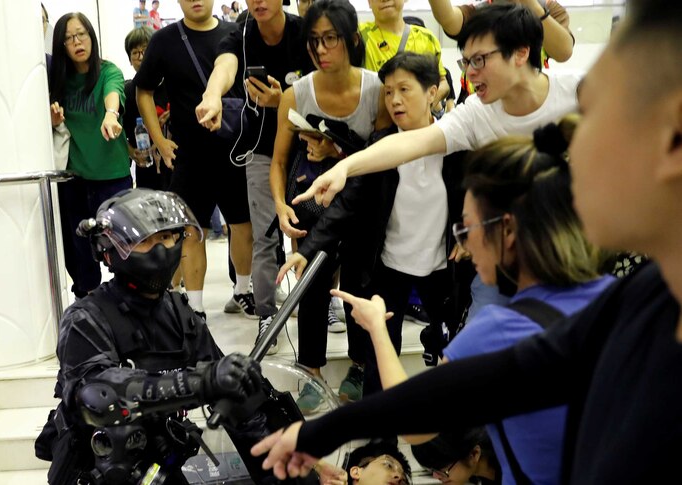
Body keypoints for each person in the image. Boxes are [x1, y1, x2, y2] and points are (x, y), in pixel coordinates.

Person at [250, 2, 682, 478]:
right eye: (466, 61)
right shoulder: (633, 302)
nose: (564, 166)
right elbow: (470, 382)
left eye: (587, 132)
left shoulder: (621, 297)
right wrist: (345, 166)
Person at [338, 118, 615, 484]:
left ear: (508, 230)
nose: (465, 244)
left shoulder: (496, 331)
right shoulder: (616, 294)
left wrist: (375, 325)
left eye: (466, 229)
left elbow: (411, 422)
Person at [292, 4, 582, 320]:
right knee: (470, 352)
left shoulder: (579, 95)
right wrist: (344, 167)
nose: (470, 72)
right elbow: (412, 142)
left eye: (480, 60)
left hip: (571, 260)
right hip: (504, 268)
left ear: (521, 53)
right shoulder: (475, 115)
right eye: (467, 61)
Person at [35, 189, 264, 484]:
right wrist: (200, 382)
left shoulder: (182, 314)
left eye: (167, 237)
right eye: (144, 241)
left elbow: (234, 390)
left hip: (159, 465)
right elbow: (101, 395)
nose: (160, 249)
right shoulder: (85, 318)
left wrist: (288, 458)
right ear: (110, 251)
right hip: (97, 469)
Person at [280, 53, 464, 400]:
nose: (394, 100)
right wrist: (306, 251)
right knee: (380, 361)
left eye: (404, 90)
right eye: (389, 91)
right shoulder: (379, 149)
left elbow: (476, 195)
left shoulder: (456, 144)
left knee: (451, 354)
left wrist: (469, 234)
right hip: (389, 271)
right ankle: (380, 440)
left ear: (432, 92)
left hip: (442, 273)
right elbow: (346, 204)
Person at [270, 0, 391, 414]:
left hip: (363, 205)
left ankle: (358, 366)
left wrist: (336, 151)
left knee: (359, 280)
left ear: (351, 40)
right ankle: (312, 370)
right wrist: (280, 206)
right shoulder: (296, 93)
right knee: (312, 283)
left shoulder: (376, 89)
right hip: (312, 205)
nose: (321, 50)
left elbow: (380, 158)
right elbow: (279, 163)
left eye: (330, 40)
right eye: (314, 41)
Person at [195, 0, 315, 353]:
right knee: (265, 236)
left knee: (311, 234)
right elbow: (225, 65)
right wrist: (212, 95)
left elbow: (322, 90)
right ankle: (268, 316)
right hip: (262, 152)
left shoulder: (304, 34)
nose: (259, 1)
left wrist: (285, 101)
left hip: (307, 148)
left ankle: (321, 304)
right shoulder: (241, 35)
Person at [135, 0, 256, 321]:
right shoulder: (164, 40)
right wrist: (159, 141)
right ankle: (196, 306)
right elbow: (143, 91)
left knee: (242, 225)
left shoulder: (234, 35)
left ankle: (243, 290)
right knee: (191, 230)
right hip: (188, 154)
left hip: (234, 149)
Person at [49, 12, 133, 300]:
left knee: (122, 248)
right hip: (76, 179)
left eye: (81, 34)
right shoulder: (58, 81)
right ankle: (88, 307)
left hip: (113, 178)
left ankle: (128, 305)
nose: (77, 42)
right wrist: (51, 120)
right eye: (69, 38)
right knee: (81, 254)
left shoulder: (108, 71)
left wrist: (111, 115)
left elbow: (114, 93)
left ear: (91, 37)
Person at [428, 0, 574, 106]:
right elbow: (448, 19)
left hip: (527, 96)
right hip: (482, 99)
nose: (470, 71)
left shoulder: (547, 7)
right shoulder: (480, 12)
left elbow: (564, 51)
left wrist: (532, 7)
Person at [359, 0, 449, 105]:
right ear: (369, 2)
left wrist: (424, 106)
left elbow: (443, 82)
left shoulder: (427, 38)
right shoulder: (358, 36)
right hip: (375, 119)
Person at [122, 26, 172, 191]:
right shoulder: (128, 91)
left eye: (146, 51)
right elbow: (120, 130)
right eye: (135, 53)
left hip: (176, 166)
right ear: (129, 59)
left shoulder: (173, 84)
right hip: (146, 170)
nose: (141, 57)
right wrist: (131, 152)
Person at [411, 428, 500, 485]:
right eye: (432, 470)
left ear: (474, 454)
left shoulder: (510, 470)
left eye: (442, 470)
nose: (436, 476)